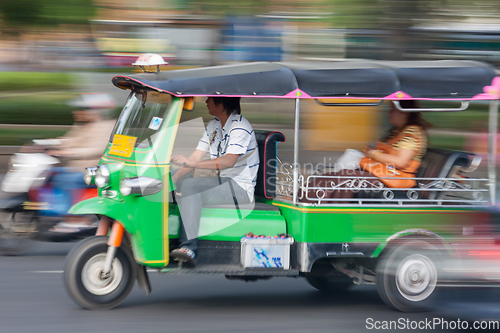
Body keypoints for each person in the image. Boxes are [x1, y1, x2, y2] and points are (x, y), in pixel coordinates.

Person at [170, 97, 259, 263]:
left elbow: (228, 161)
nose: (206, 101)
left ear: (222, 101)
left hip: (240, 189)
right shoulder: (214, 125)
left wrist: (193, 164)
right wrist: (172, 179)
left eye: (210, 98)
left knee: (191, 186)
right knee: (177, 177)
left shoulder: (240, 127)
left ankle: (188, 247)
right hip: (222, 181)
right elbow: (195, 156)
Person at [306, 100, 431, 201]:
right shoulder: (396, 131)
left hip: (393, 181)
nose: (388, 112)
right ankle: (302, 198)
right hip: (383, 175)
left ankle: (330, 211)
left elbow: (400, 161)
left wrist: (372, 154)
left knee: (346, 178)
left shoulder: (411, 133)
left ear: (405, 112)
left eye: (392, 109)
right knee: (332, 175)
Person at [47, 93, 117, 231]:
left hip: (93, 171)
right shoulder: (83, 126)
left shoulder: (108, 126)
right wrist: (48, 143)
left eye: (83, 109)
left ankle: (78, 218)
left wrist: (70, 153)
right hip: (77, 168)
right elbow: (69, 140)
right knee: (49, 174)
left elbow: (98, 149)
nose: (77, 112)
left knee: (67, 179)